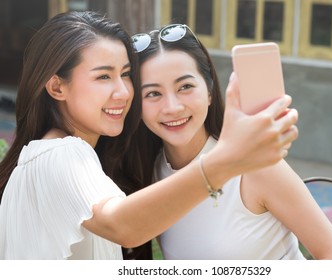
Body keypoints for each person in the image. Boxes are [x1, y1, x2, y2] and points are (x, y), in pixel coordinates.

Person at [0, 11, 299, 260]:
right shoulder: (60, 154)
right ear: (56, 88)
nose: (123, 92)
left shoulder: (59, 156)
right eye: (103, 76)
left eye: (126, 74)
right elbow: (123, 225)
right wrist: (229, 159)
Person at [131, 24, 332, 259]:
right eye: (153, 93)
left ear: (209, 91)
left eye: (185, 86)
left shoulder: (256, 167)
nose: (172, 107)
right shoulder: (150, 173)